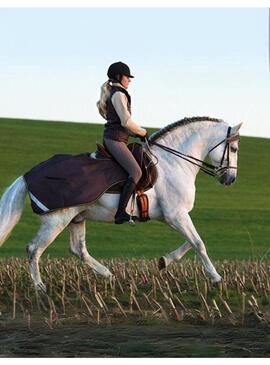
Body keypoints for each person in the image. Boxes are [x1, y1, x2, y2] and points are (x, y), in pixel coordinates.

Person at [97, 61, 148, 224]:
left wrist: (136, 134)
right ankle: (120, 213)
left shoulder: (117, 92)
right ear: (119, 77)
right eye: (128, 76)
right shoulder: (119, 93)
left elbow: (123, 123)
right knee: (136, 172)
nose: (130, 80)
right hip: (115, 140)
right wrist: (142, 132)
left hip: (118, 138)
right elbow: (126, 121)